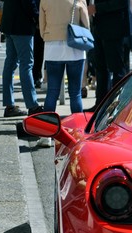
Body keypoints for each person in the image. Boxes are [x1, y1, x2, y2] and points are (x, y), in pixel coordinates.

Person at [37, 0, 89, 146]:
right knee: (75, 93)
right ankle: (78, 132)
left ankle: (46, 134)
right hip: (75, 47)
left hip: (52, 47)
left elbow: (42, 28)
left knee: (52, 92)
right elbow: (86, 23)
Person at [0, 0, 44, 117]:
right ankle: (32, 105)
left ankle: (9, 105)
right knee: (26, 65)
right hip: (22, 25)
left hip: (10, 22)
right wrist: (38, 18)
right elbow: (29, 3)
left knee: (10, 64)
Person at [88, 0, 132, 109]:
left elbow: (122, 3)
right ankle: (101, 106)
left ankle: (119, 106)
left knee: (117, 69)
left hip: (114, 28)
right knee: (100, 67)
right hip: (99, 27)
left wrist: (97, 7)